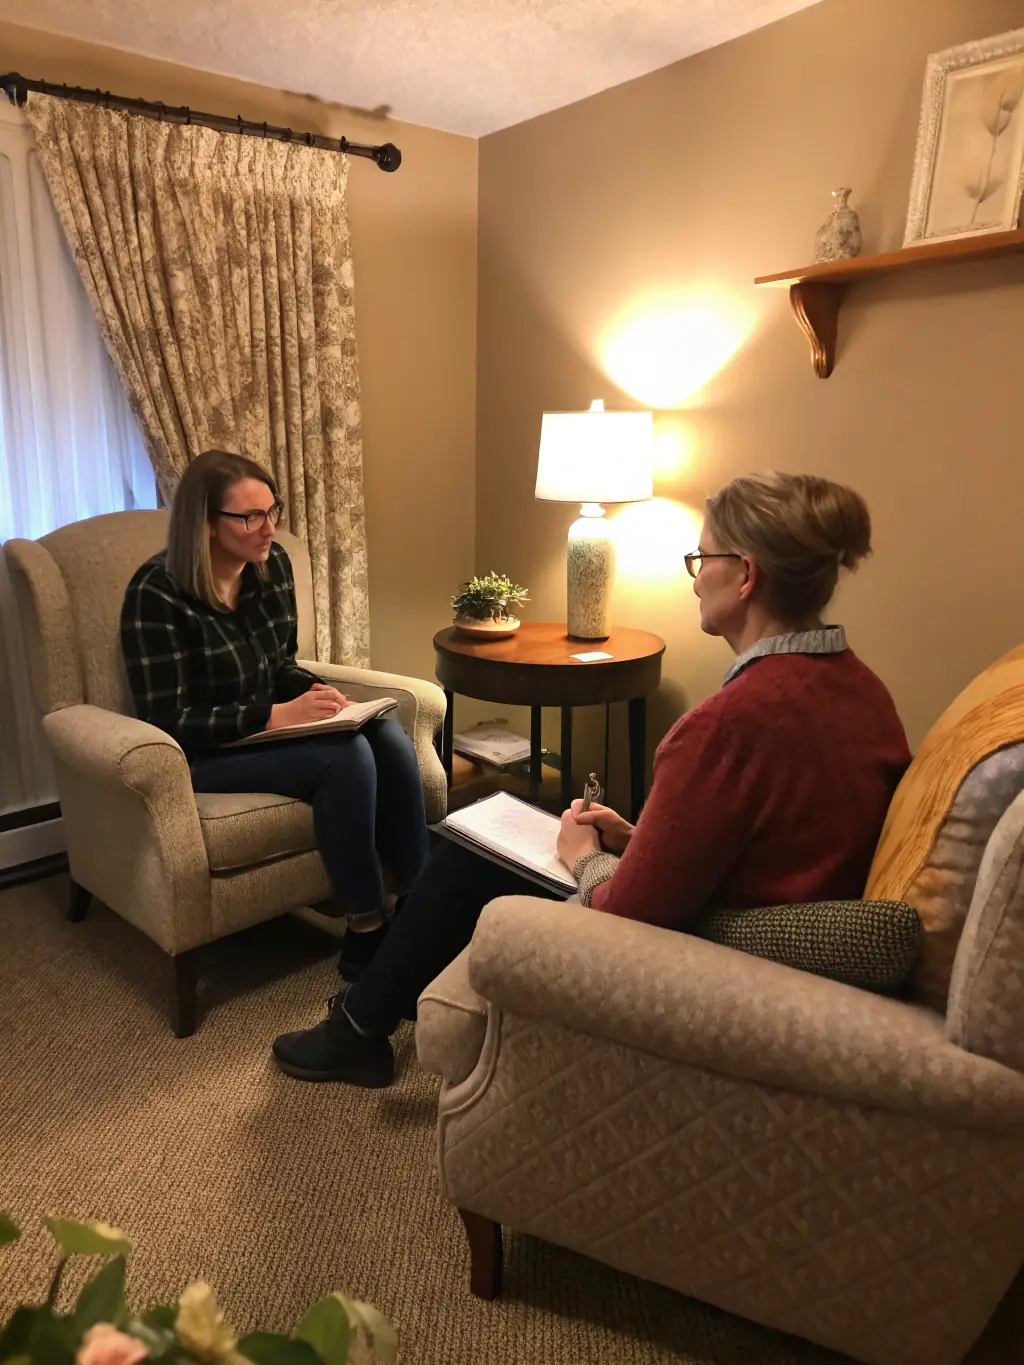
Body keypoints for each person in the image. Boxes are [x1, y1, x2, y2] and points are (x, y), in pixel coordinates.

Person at [272, 471, 910, 1087]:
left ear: (745, 576)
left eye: (701, 557)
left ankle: (359, 1029)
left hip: (707, 955)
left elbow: (626, 912)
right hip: (756, 909)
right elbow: (773, 832)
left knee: (466, 851)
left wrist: (588, 860)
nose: (693, 580)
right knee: (485, 833)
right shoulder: (864, 688)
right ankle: (380, 998)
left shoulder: (729, 723)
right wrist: (639, 837)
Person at [120, 448, 429, 941]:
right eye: (251, 516)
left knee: (386, 737)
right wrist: (273, 716)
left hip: (264, 732)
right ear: (206, 524)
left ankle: (420, 903)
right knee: (346, 759)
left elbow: (280, 664)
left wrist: (319, 695)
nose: (269, 528)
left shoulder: (272, 566)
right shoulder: (156, 594)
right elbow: (167, 719)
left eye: (271, 511)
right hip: (201, 755)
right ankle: (366, 929)